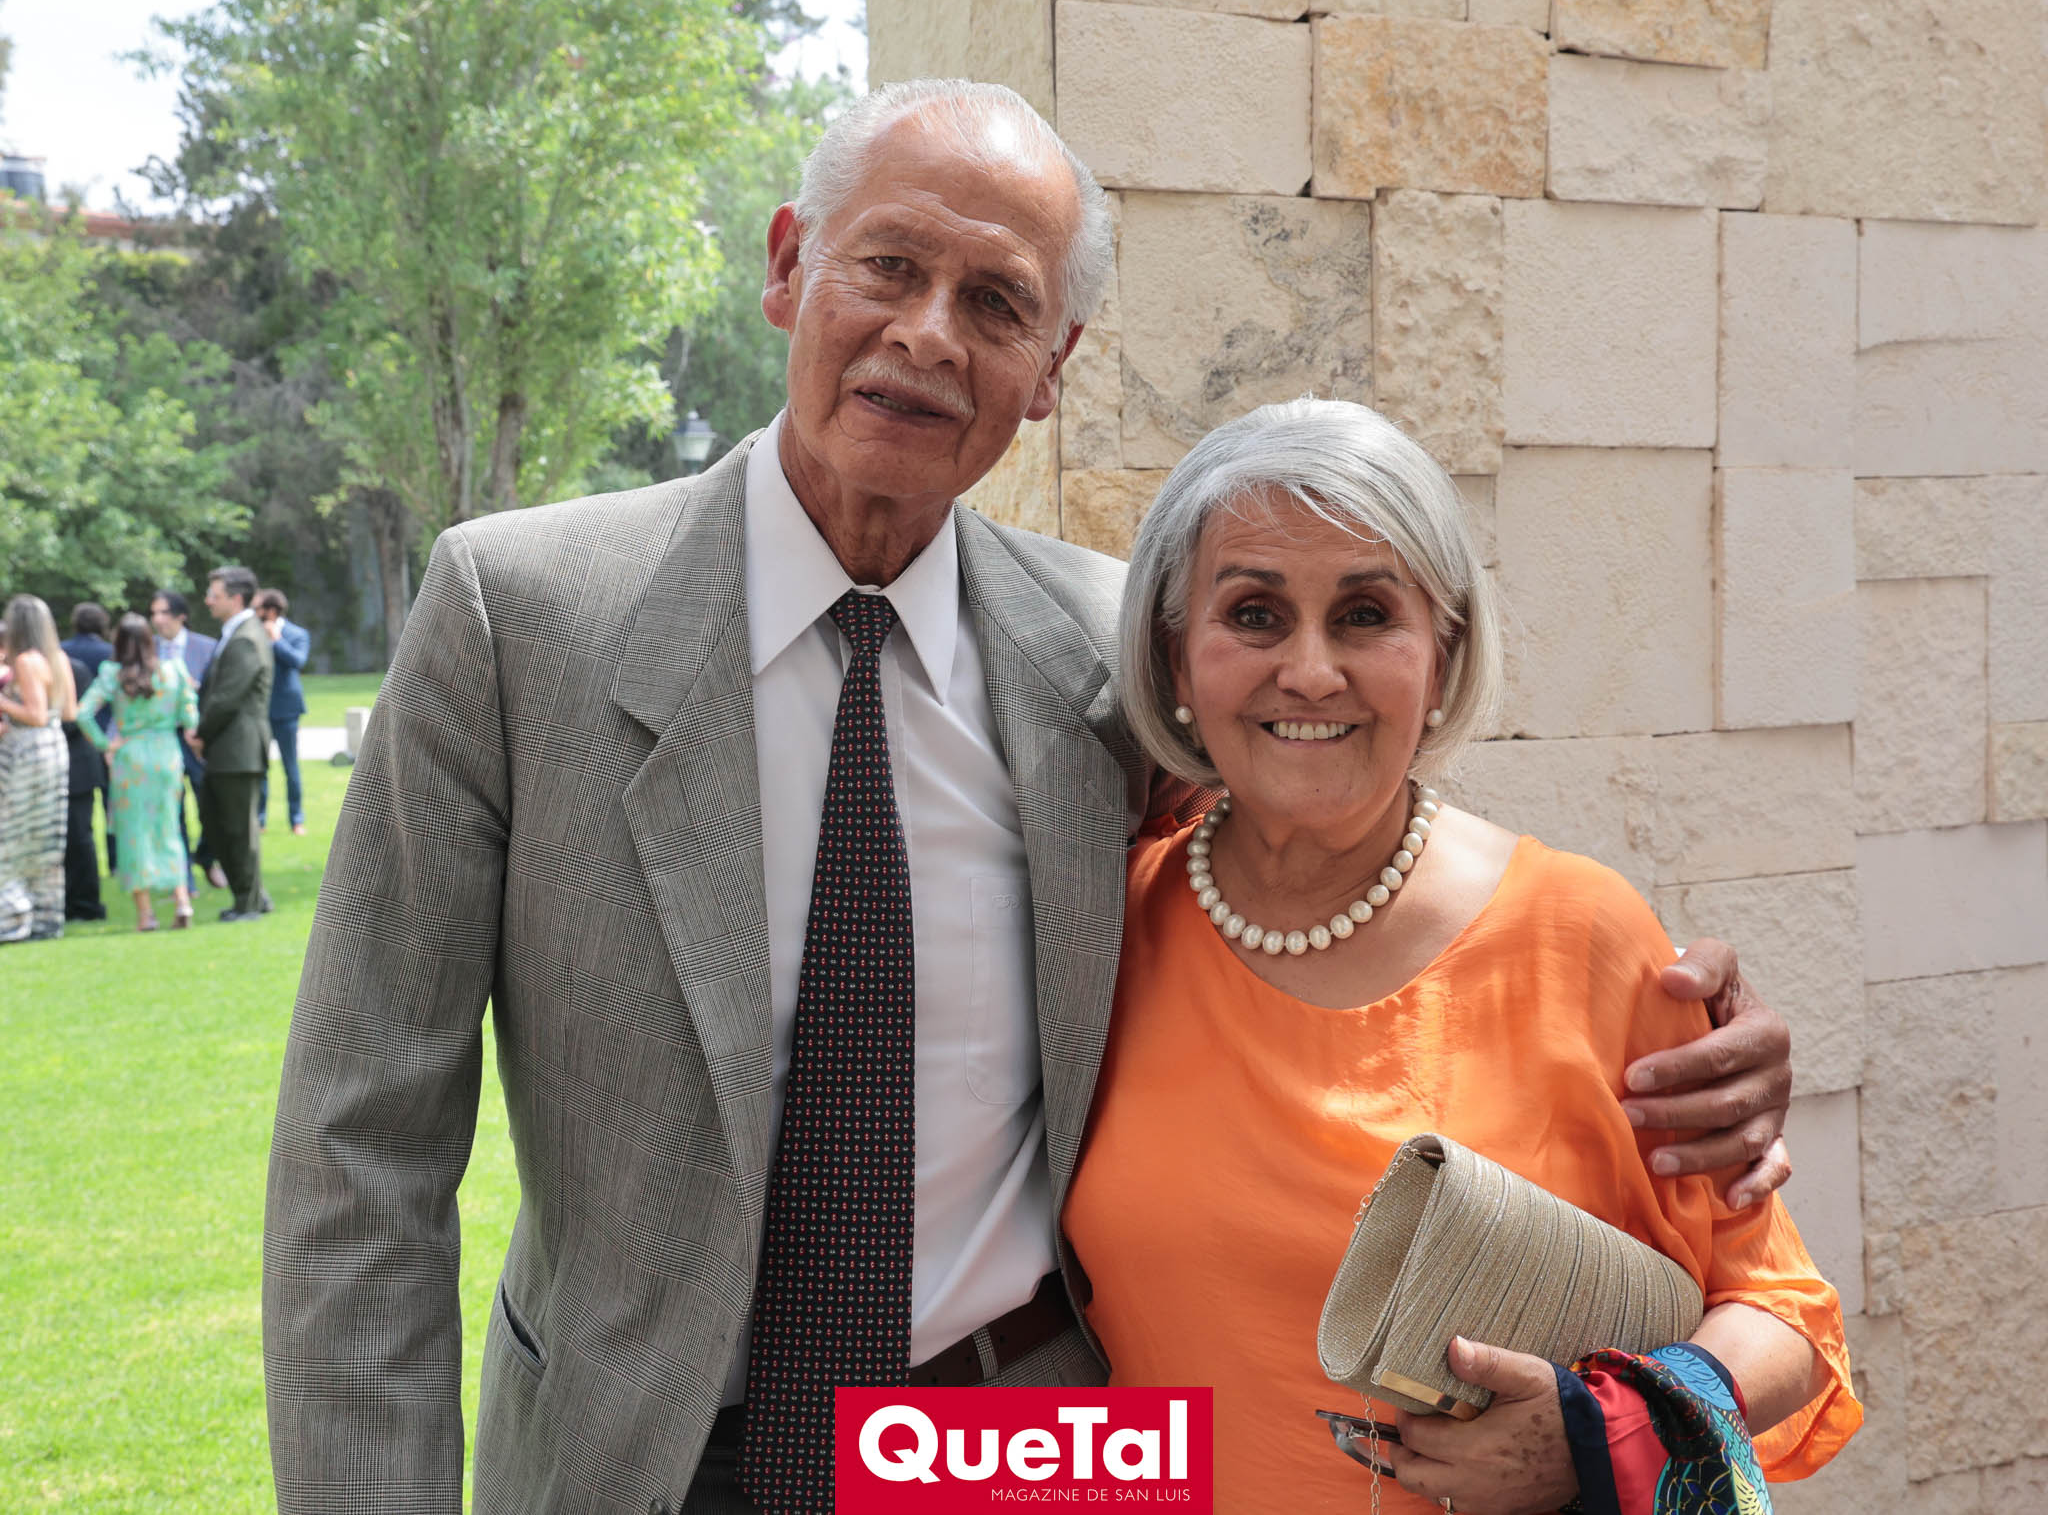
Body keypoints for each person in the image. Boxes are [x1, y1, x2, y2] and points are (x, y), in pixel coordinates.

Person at [264, 80, 1797, 1515]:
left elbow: (1326, 831)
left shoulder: (1105, 659)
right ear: (789, 266)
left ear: (1051, 369)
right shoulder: (517, 619)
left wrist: (1659, 1011)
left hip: (1020, 1444)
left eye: (997, 302)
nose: (929, 334)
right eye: (889, 266)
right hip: (643, 1451)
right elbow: (360, 1154)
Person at [1065, 400, 1858, 1514]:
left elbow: (1786, 1316)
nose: (1310, 671)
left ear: (1439, 658)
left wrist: (1600, 1432)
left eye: (1364, 615)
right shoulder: (1093, 929)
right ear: (1175, 660)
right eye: (1252, 613)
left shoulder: (1582, 934)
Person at [74, 614, 201, 931]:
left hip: (130, 756)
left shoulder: (113, 675)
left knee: (134, 833)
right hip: (166, 755)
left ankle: (146, 914)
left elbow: (83, 713)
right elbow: (190, 716)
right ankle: (182, 900)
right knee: (169, 828)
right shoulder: (173, 670)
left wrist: (105, 743)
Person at [193, 565, 274, 921]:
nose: (207, 601)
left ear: (236, 598)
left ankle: (248, 904)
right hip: (228, 749)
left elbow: (227, 698)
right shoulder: (238, 633)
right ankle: (253, 895)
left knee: (238, 831)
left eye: (214, 595)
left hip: (238, 750)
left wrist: (200, 734)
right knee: (220, 825)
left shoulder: (244, 638)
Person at [0, 594, 80, 942]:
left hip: (27, 750)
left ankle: (12, 918)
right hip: (54, 747)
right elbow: (69, 712)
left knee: (13, 833)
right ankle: (45, 916)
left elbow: (34, 714)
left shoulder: (26, 661)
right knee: (45, 837)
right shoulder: (57, 658)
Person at [151, 589, 220, 890]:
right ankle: (184, 879)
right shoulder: (147, 649)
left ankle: (206, 856)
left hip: (198, 737)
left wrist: (195, 688)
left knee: (212, 805)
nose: (157, 619)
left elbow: (219, 691)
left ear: (181, 616)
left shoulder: (207, 647)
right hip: (162, 737)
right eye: (153, 613)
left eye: (164, 612)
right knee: (171, 811)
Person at [61, 602, 119, 901]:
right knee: (112, 804)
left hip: (76, 740)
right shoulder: (111, 653)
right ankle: (115, 861)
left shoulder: (61, 653)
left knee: (79, 817)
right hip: (107, 735)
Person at [253, 587, 309, 835]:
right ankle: (259, 820)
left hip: (287, 711)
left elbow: (298, 661)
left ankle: (296, 820)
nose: (254, 612)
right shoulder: (252, 633)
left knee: (290, 768)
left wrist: (276, 640)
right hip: (259, 710)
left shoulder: (296, 634)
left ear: (271, 611)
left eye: (258, 608)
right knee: (260, 768)